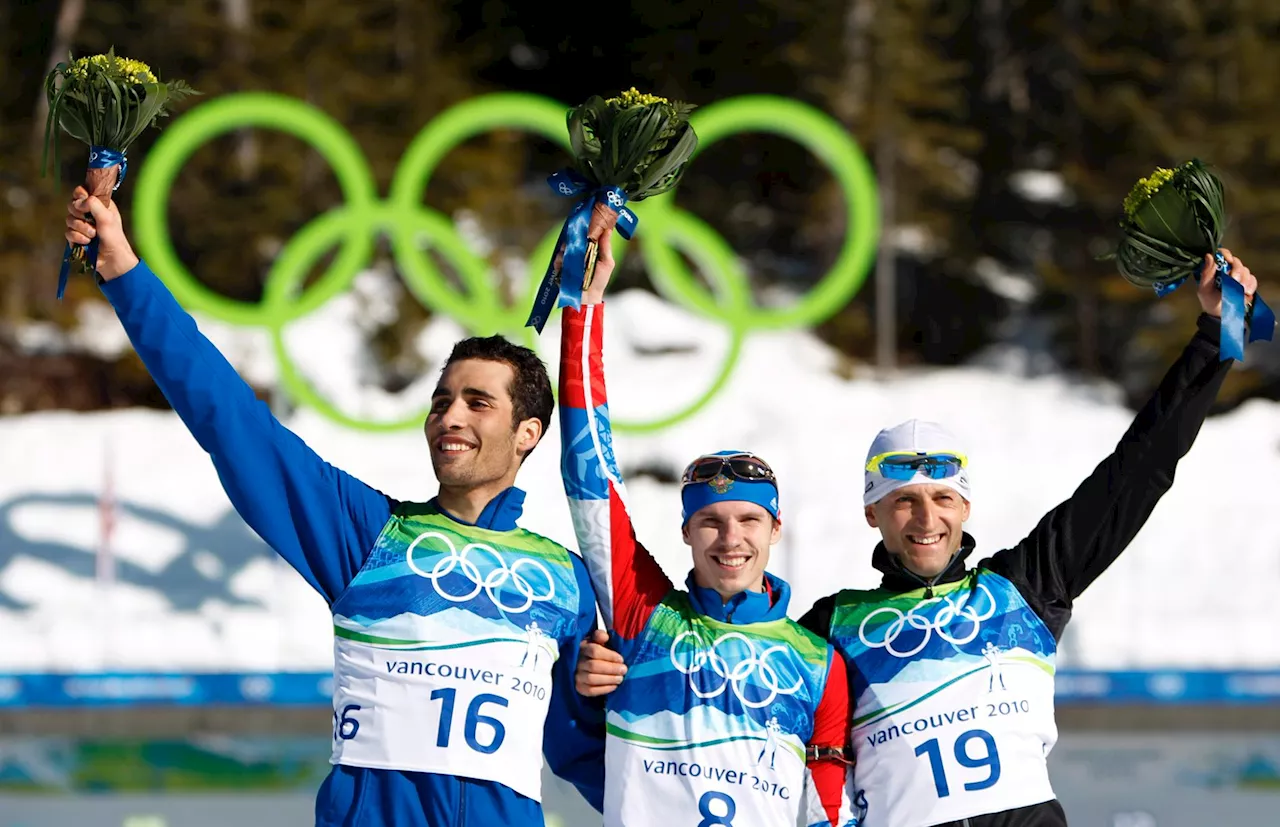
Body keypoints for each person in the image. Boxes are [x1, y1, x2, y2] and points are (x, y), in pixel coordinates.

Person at [575, 249, 1259, 827]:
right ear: (873, 513)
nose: (924, 517)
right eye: (902, 500)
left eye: (940, 498)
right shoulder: (828, 629)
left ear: (964, 507)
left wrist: (1209, 336)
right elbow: (726, 695)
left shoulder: (1024, 586)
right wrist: (611, 674)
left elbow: (1139, 469)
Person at [63, 186, 606, 827]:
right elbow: (229, 419)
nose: (448, 416)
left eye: (477, 402)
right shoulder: (370, 536)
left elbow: (605, 762)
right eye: (441, 401)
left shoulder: (566, 582)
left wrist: (606, 698)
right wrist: (125, 271)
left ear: (528, 434)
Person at [559, 228, 857, 827]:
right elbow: (590, 476)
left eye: (749, 520)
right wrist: (582, 308)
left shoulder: (819, 664)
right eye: (711, 522)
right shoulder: (643, 615)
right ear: (686, 532)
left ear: (776, 529)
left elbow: (833, 804)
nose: (731, 538)